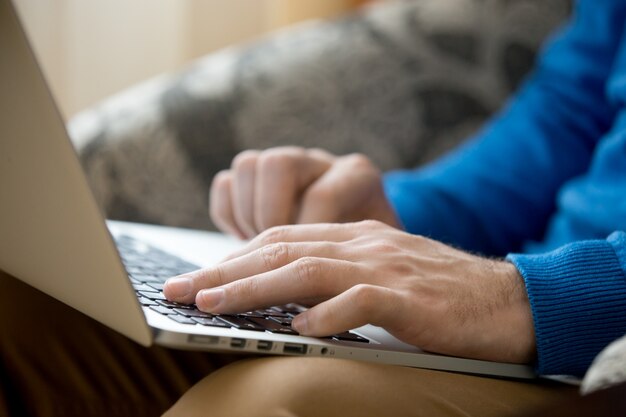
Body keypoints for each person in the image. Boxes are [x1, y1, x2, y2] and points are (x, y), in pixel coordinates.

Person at [0, 0, 624, 416]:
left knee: (274, 403)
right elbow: (572, 115)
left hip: (599, 352)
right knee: (28, 304)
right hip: (537, 303)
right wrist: (389, 223)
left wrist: (533, 298)